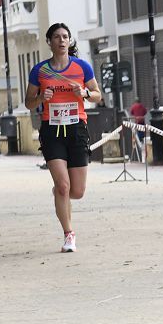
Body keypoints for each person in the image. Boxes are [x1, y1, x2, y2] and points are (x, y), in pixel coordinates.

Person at [24, 23, 102, 253]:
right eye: (56, 37)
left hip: (77, 128)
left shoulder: (82, 67)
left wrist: (85, 93)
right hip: (52, 130)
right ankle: (69, 235)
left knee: (77, 191)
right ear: (49, 41)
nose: (61, 40)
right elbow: (29, 103)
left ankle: (61, 193)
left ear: (69, 41)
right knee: (63, 186)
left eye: (65, 36)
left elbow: (98, 95)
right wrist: (40, 98)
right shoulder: (40, 71)